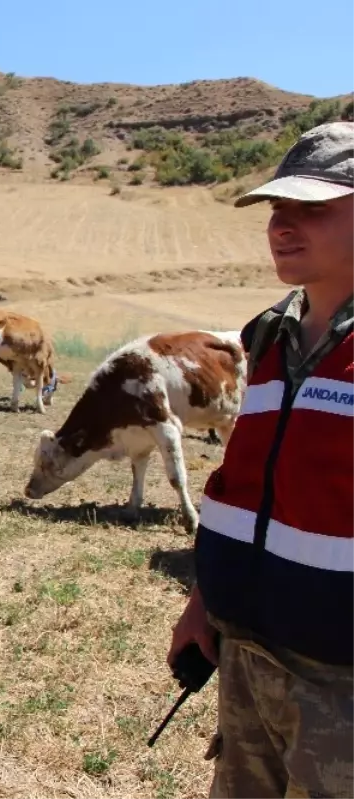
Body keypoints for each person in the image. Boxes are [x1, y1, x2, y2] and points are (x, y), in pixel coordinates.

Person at [168, 120, 354, 798]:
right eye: (278, 208)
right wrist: (204, 600)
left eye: (314, 209)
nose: (282, 225)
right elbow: (241, 485)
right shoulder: (268, 334)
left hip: (340, 679)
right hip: (248, 651)